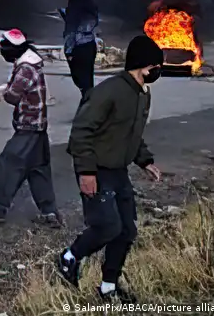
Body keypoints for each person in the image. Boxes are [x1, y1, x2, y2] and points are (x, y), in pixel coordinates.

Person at [57, 35, 164, 303]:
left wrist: (145, 161)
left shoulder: (142, 94)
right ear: (143, 66)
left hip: (118, 171)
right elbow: (81, 132)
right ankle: (70, 257)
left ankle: (108, 287)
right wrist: (86, 173)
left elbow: (131, 134)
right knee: (108, 227)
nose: (158, 71)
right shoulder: (109, 91)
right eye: (155, 67)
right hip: (97, 170)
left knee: (126, 231)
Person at [0, 29, 59, 226]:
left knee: (7, 163)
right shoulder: (31, 63)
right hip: (39, 126)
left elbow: (12, 96)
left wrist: (1, 92)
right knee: (38, 169)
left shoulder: (25, 69)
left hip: (29, 126)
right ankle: (49, 213)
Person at [60, 0, 99, 99]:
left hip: (80, 47)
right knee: (87, 81)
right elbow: (92, 21)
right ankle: (89, 103)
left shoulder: (75, 3)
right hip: (88, 45)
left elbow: (72, 30)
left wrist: (69, 51)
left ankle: (89, 105)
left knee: (82, 81)